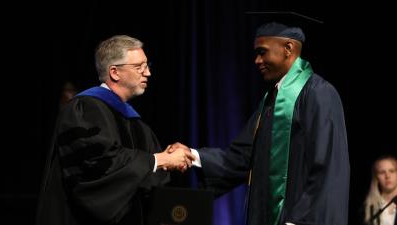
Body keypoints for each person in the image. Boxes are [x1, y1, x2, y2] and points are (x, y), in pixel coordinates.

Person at [169, 21, 350, 225]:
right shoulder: (271, 99)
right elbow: (242, 158)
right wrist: (193, 155)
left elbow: (329, 169)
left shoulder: (319, 94)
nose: (257, 60)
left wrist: (301, 221)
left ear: (288, 49)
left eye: (262, 52)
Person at [36, 35, 195, 225]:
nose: (148, 73)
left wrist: (168, 159)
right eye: (139, 67)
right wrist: (159, 160)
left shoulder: (136, 123)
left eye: (147, 66)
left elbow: (145, 180)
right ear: (115, 72)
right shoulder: (85, 109)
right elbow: (97, 165)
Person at [362, 155, 397, 225]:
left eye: (392, 171)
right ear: (376, 177)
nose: (387, 176)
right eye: (382, 172)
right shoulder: (367, 208)